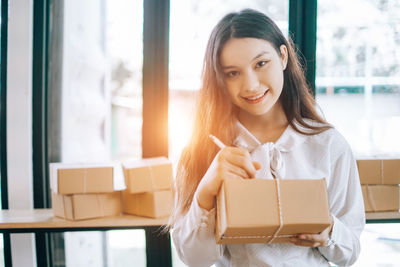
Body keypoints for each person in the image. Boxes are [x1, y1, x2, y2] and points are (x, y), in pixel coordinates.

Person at [169, 8, 365, 267]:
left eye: (261, 64)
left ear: (283, 56)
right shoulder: (201, 152)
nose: (250, 85)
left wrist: (328, 230)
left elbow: (350, 254)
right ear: (220, 80)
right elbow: (194, 259)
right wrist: (207, 189)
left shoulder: (328, 144)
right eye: (232, 73)